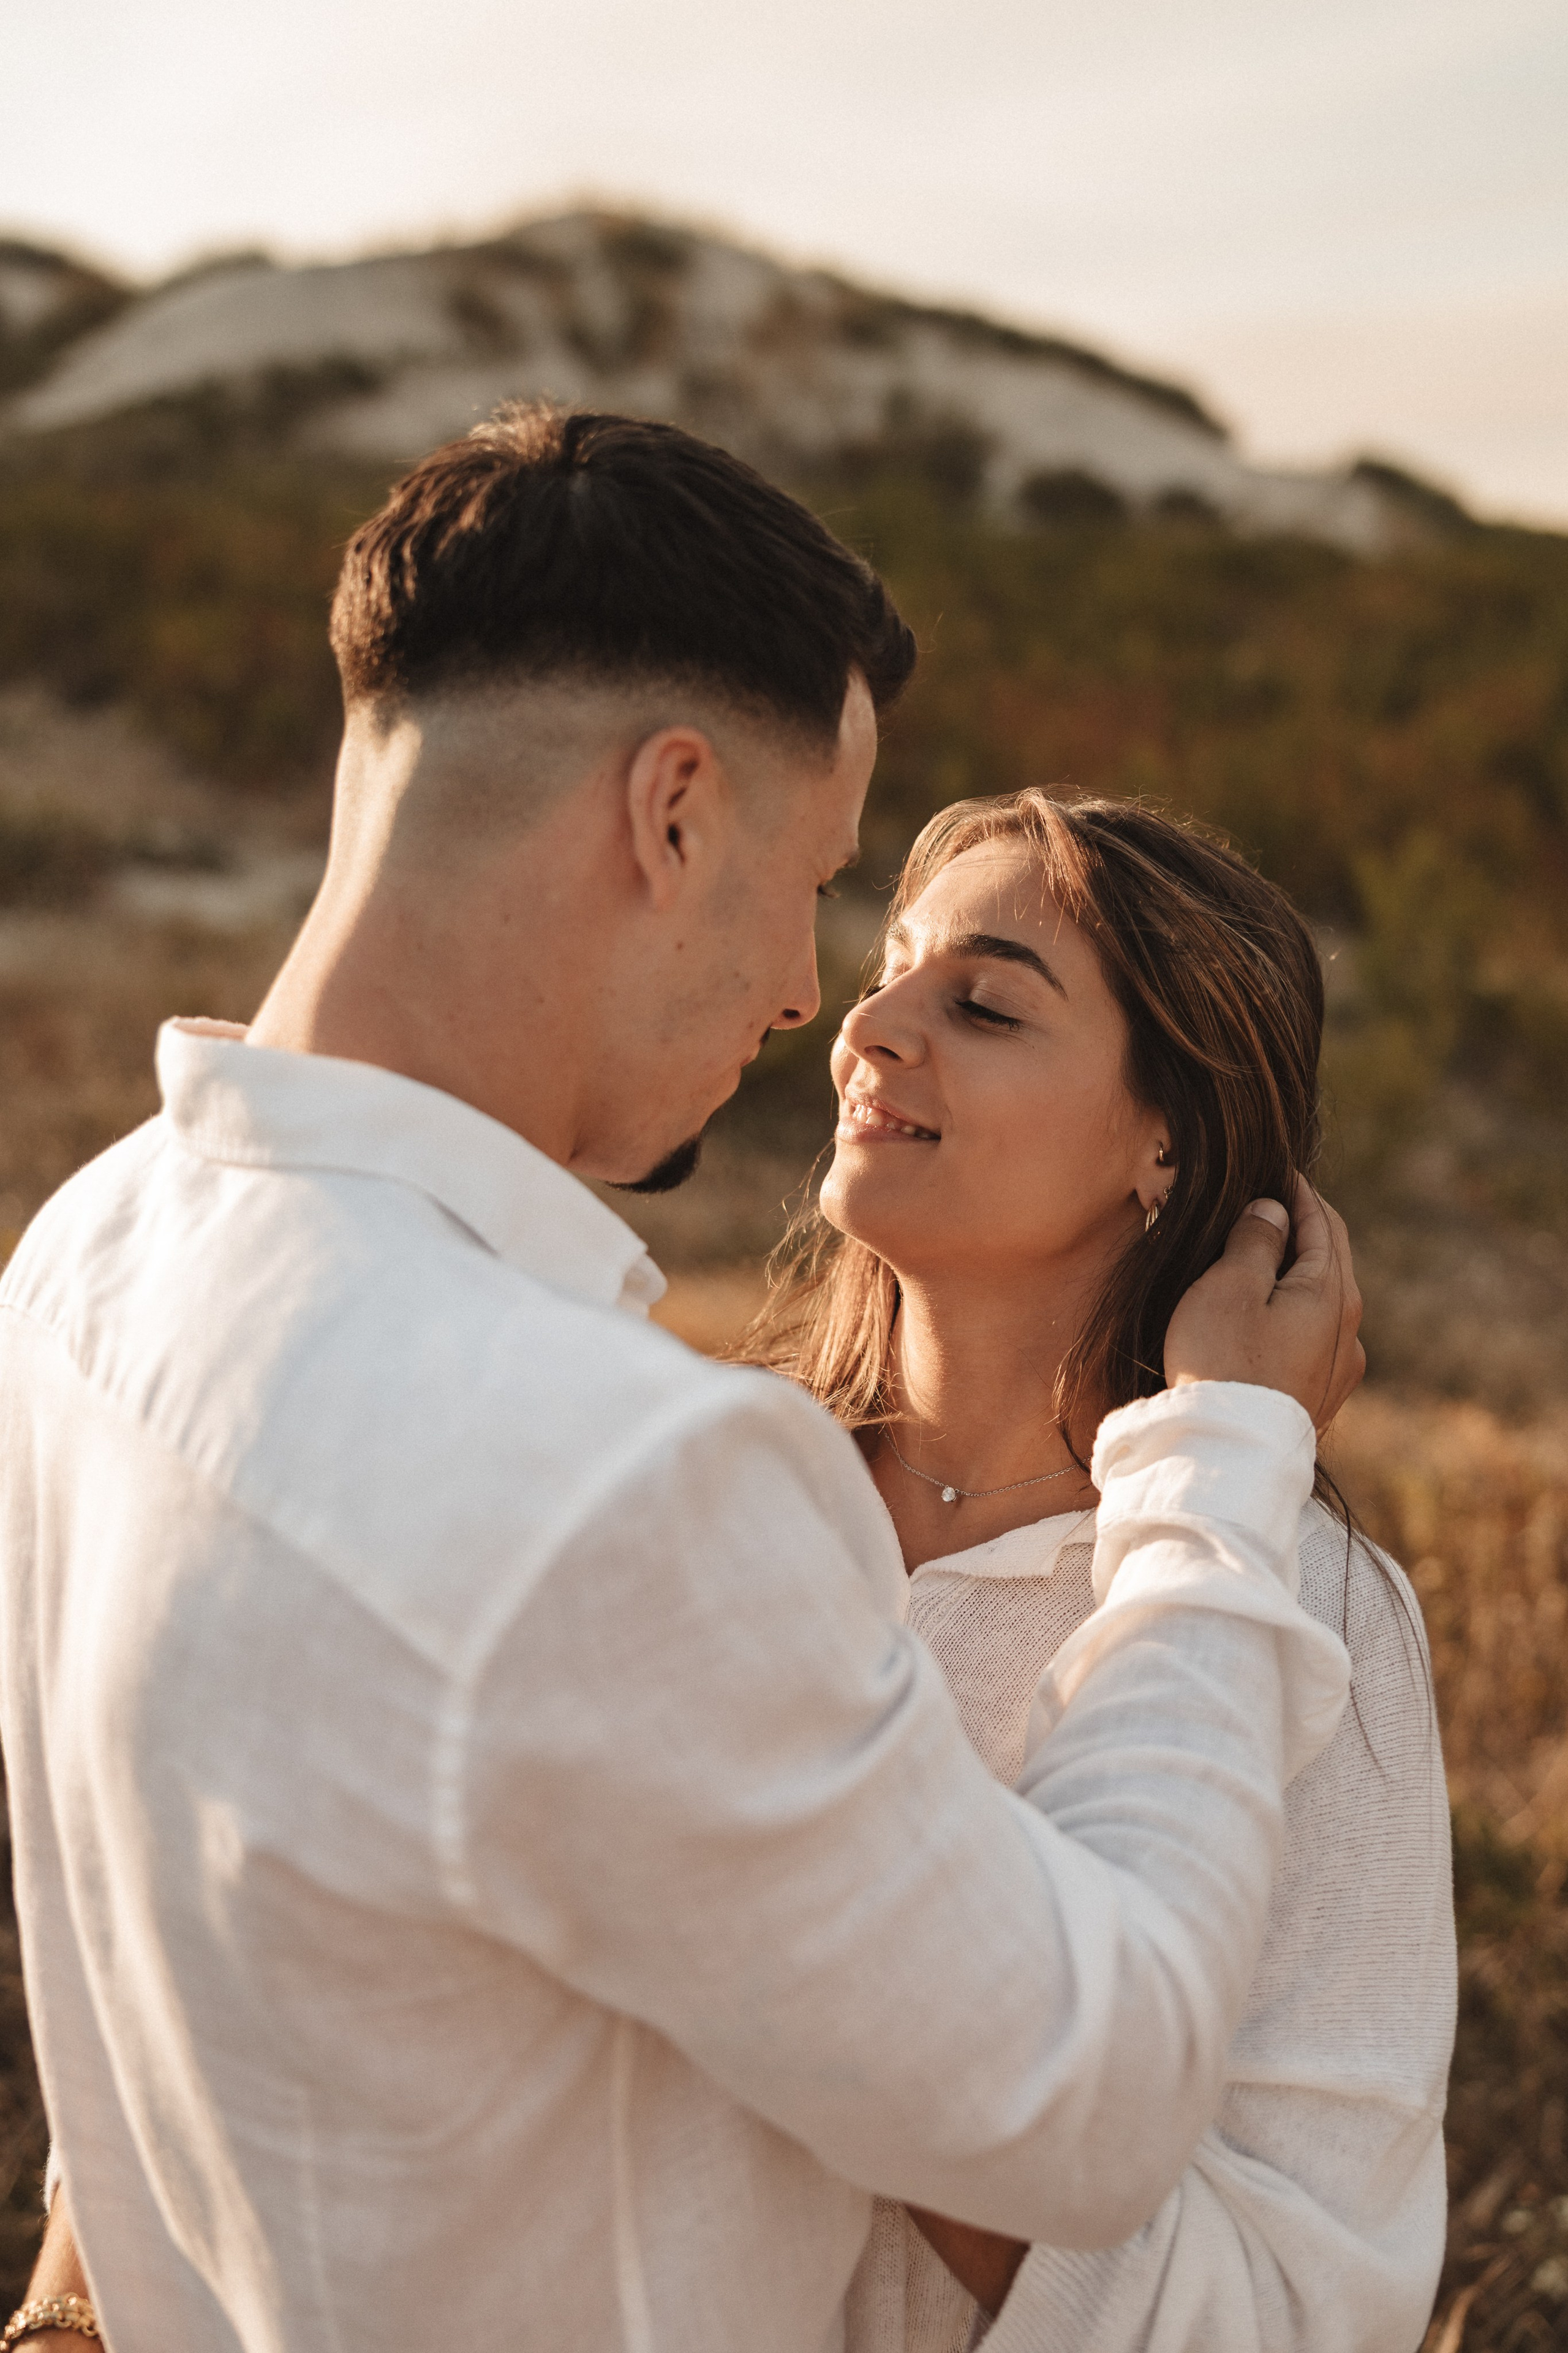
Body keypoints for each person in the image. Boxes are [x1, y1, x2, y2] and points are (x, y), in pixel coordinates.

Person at [0, 408, 1360, 2353]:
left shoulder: (88, 1251)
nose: (816, 999)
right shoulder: (607, 1481)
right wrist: (1227, 1461)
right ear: (671, 812)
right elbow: (1101, 2095)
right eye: (817, 883)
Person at [736, 790, 1455, 2352]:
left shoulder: (1299, 1604)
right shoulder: (697, 1500)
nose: (865, 1025)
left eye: (981, 1002)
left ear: (1168, 1142)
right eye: (889, 966)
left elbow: (1299, 2303)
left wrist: (799, 1975)